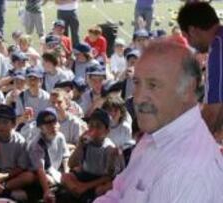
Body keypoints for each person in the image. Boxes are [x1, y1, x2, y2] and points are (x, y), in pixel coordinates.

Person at [94, 40, 223, 203]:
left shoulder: (190, 175)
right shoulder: (156, 135)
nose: (138, 97)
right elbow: (119, 192)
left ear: (187, 90)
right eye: (137, 83)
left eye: (153, 85)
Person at [177, 2, 223, 135]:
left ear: (192, 31)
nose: (190, 44)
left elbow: (212, 114)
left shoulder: (218, 50)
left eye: (186, 38)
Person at [62, 108, 124, 202]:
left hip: (99, 179)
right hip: (85, 175)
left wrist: (85, 186)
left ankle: (82, 194)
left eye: (98, 127)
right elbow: (71, 164)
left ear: (106, 131)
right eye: (91, 126)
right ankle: (81, 194)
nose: (94, 130)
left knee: (101, 189)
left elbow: (109, 176)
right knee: (65, 177)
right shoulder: (86, 143)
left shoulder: (109, 148)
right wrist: (80, 145)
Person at [28, 108, 70, 203]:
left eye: (54, 121)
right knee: (49, 180)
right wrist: (47, 191)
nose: (52, 126)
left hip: (55, 171)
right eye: (48, 123)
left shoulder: (60, 136)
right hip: (40, 175)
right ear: (41, 128)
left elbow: (65, 156)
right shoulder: (37, 144)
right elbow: (40, 170)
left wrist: (67, 172)